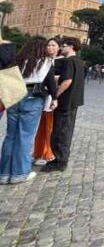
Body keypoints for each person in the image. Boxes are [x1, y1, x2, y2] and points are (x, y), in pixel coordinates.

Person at [0, 39, 57, 184]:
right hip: (32, 99)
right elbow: (51, 83)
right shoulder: (46, 62)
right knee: (24, 138)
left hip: (14, 98)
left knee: (10, 136)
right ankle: (19, 173)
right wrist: (54, 99)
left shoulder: (17, 61)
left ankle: (4, 173)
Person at [43, 36, 85, 173]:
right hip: (74, 101)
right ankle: (62, 158)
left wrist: (56, 96)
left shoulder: (68, 61)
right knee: (66, 131)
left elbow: (67, 81)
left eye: (64, 45)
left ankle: (59, 162)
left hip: (65, 102)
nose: (61, 48)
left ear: (71, 46)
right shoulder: (79, 61)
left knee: (60, 132)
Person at [32, 38, 61, 166]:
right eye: (48, 45)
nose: (50, 47)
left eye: (53, 45)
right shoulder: (41, 60)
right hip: (40, 95)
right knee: (40, 126)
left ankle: (47, 151)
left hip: (53, 97)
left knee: (49, 126)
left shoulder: (61, 61)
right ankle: (38, 152)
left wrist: (51, 77)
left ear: (58, 47)